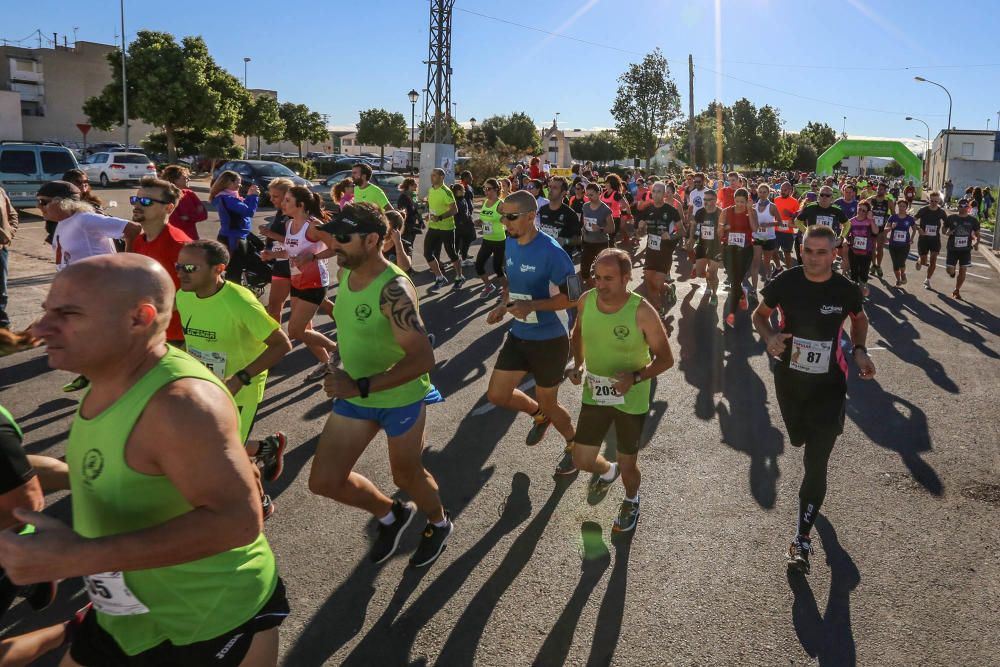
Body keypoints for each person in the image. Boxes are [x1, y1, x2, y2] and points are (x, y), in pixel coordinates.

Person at [1, 253, 288, 665]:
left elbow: (238, 522)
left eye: (68, 313)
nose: (41, 327)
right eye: (47, 310)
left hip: (207, 619)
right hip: (126, 613)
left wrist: (78, 556)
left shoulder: (179, 403)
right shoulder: (107, 376)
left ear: (139, 318)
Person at [309, 202, 452, 568]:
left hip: (398, 398)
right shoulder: (347, 272)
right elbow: (351, 331)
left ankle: (439, 522)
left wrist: (359, 385)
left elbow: (423, 360)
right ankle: (391, 514)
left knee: (406, 473)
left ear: (372, 240)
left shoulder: (395, 292)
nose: (334, 244)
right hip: (356, 394)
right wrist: (336, 364)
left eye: (343, 237)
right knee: (324, 480)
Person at [752, 224, 876, 575]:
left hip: (830, 385)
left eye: (822, 252)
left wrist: (860, 351)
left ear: (835, 253)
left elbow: (859, 320)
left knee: (815, 461)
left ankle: (801, 538)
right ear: (801, 249)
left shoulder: (845, 290)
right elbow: (759, 316)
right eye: (808, 250)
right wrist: (770, 336)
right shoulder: (785, 282)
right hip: (790, 382)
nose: (814, 258)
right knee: (800, 440)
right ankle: (809, 511)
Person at [175, 239, 291, 505]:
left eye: (191, 267)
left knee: (223, 456)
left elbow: (281, 344)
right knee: (206, 446)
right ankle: (266, 448)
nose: (182, 273)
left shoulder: (239, 301)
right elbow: (192, 338)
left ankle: (259, 502)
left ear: (219, 269)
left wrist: (240, 378)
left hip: (240, 391)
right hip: (203, 385)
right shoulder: (184, 295)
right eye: (178, 266)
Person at [567, 248, 674, 532]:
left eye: (608, 278)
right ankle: (607, 470)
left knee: (629, 465)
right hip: (596, 393)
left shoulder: (641, 311)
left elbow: (666, 359)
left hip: (631, 398)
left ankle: (631, 499)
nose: (600, 285)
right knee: (582, 459)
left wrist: (635, 377)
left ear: (626, 278)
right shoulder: (586, 301)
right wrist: (579, 365)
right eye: (597, 277)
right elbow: (577, 333)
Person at [485, 190, 579, 474]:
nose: (504, 222)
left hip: (550, 339)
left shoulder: (553, 253)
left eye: (511, 217)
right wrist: (504, 305)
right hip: (519, 333)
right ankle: (538, 416)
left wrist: (532, 305)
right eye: (503, 216)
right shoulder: (511, 243)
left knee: (550, 403)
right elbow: (512, 284)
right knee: (497, 395)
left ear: (530, 216)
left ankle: (575, 445)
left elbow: (573, 297)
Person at [260, 186, 338, 382]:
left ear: (300, 205)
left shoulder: (313, 225)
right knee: (304, 329)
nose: (282, 204)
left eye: (287, 200)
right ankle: (326, 363)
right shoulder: (289, 224)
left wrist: (313, 256)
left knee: (296, 331)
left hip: (315, 282)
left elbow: (335, 248)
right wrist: (273, 255)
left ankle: (338, 350)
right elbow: (290, 252)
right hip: (297, 280)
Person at [129, 177, 192, 346]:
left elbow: (195, 292)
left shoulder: (180, 245)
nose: (137, 205)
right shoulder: (139, 241)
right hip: (149, 331)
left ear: (168, 207)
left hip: (177, 337)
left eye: (146, 201)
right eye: (135, 199)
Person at [636, 181, 683, 316]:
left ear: (664, 194)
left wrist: (670, 236)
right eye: (654, 191)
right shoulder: (647, 210)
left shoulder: (671, 211)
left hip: (665, 252)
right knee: (650, 284)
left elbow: (682, 231)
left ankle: (658, 310)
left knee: (656, 284)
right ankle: (665, 296)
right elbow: (640, 234)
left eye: (659, 192)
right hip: (651, 252)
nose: (655, 194)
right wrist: (640, 229)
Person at [209, 170, 259, 284]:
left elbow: (241, 209)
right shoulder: (227, 199)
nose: (240, 185)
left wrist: (249, 196)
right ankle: (231, 295)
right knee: (234, 271)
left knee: (233, 269)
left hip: (232, 236)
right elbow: (248, 211)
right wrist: (253, 197)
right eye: (238, 182)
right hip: (233, 238)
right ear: (228, 183)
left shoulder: (228, 197)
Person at [257, 177, 295, 322]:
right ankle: (276, 341)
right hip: (280, 264)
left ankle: (339, 321)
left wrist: (270, 234)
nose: (272, 199)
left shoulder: (294, 215)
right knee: (273, 306)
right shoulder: (280, 212)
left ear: (287, 196)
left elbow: (297, 243)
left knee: (303, 318)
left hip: (296, 266)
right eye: (270, 196)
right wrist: (269, 251)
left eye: (275, 196)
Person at [721, 188, 758, 328]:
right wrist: (725, 228)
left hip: (745, 250)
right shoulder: (727, 211)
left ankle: (731, 314)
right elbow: (720, 228)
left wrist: (750, 211)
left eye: (742, 202)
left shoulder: (751, 212)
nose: (739, 204)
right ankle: (742, 294)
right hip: (729, 250)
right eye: (737, 201)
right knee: (733, 279)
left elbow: (754, 229)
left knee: (736, 281)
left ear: (747, 200)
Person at [424, 168, 464, 290]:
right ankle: (440, 278)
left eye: (434, 175)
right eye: (431, 175)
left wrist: (440, 217)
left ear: (442, 177)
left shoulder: (446, 191)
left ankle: (459, 276)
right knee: (427, 253)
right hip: (433, 227)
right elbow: (433, 208)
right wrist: (429, 216)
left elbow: (454, 210)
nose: (432, 177)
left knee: (451, 253)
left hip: (446, 228)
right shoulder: (431, 190)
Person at [689, 189, 724, 305]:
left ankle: (714, 294)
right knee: (700, 273)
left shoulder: (721, 213)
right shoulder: (700, 212)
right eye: (705, 199)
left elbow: (726, 231)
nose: (706, 202)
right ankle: (709, 281)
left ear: (715, 200)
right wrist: (691, 240)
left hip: (716, 247)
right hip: (702, 245)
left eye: (709, 199)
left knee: (712, 273)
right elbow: (695, 227)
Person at [942, 198, 981, 300]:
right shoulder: (951, 218)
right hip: (952, 249)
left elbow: (977, 234)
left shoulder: (973, 220)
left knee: (963, 270)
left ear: (968, 207)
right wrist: (947, 233)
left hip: (966, 250)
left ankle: (957, 290)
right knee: (949, 270)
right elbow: (943, 230)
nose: (963, 208)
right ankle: (952, 272)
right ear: (958, 207)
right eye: (960, 206)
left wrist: (976, 242)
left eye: (965, 206)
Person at [475, 178, 506, 298]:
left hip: (499, 240)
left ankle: (507, 290)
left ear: (496, 189)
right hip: (487, 240)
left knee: (497, 268)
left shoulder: (501, 204)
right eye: (484, 189)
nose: (486, 191)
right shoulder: (485, 202)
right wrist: (479, 221)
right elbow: (484, 218)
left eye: (488, 189)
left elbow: (508, 221)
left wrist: (503, 220)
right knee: (478, 265)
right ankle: (488, 286)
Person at [579, 183, 615, 287]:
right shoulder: (585, 206)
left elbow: (612, 228)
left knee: (603, 270)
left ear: (599, 193)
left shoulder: (605, 209)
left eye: (592, 195)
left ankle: (604, 289)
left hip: (601, 243)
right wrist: (584, 228)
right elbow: (584, 221)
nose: (589, 197)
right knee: (584, 271)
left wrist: (600, 229)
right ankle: (594, 288)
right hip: (587, 242)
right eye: (587, 195)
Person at [842, 200, 880, 296]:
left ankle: (862, 292)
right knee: (854, 274)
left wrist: (871, 219)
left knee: (864, 274)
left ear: (868, 212)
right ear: (857, 208)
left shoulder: (869, 221)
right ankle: (855, 294)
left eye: (864, 210)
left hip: (866, 252)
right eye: (860, 209)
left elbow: (875, 231)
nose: (861, 212)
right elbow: (845, 235)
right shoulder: (851, 221)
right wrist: (845, 241)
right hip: (853, 251)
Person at [161, 165, 207, 240]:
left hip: (192, 237)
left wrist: (188, 217)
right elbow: (175, 221)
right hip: (174, 238)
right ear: (174, 180)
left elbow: (204, 215)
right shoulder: (166, 197)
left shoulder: (190, 194)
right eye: (184, 178)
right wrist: (194, 216)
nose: (187, 179)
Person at [750, 183, 781, 292]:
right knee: (756, 262)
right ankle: (754, 289)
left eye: (765, 192)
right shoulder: (754, 207)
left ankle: (768, 273)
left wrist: (768, 224)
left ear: (768, 193)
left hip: (769, 238)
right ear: (757, 192)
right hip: (757, 237)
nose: (762, 194)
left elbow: (780, 222)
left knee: (766, 262)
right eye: (760, 192)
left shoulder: (772, 206)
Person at [913, 190, 947, 289]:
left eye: (936, 201)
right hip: (923, 239)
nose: (934, 203)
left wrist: (946, 229)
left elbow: (947, 223)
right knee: (924, 261)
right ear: (929, 200)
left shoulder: (941, 212)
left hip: (935, 239)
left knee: (933, 259)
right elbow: (912, 221)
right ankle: (920, 261)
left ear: (939, 201)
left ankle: (927, 280)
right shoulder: (923, 210)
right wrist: (919, 229)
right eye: (932, 201)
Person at [537, 177, 580, 251]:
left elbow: (579, 239)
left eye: (555, 188)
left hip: (561, 257)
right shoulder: (542, 209)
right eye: (550, 187)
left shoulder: (570, 214)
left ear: (563, 192)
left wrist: (565, 241)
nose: (550, 190)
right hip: (543, 254)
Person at [885, 200, 916, 287]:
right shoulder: (893, 217)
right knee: (895, 265)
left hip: (905, 245)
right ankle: (898, 280)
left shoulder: (909, 219)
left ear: (906, 207)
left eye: (903, 206)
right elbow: (886, 228)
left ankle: (903, 273)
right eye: (900, 206)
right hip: (893, 244)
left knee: (901, 262)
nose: (901, 208)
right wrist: (891, 227)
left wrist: (912, 239)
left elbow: (914, 229)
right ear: (897, 207)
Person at [868, 182, 894, 278]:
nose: (879, 190)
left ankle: (878, 266)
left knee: (880, 248)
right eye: (878, 189)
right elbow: (862, 206)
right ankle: (873, 265)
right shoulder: (871, 199)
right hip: (872, 227)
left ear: (885, 191)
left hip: (882, 228)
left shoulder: (889, 201)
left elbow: (893, 215)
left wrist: (889, 227)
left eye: (882, 189)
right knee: (872, 248)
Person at [773, 181, 800, 271]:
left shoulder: (795, 202)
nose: (782, 191)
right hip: (776, 230)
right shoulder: (776, 199)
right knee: (774, 251)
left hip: (788, 232)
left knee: (787, 253)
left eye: (785, 190)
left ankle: (788, 271)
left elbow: (798, 217)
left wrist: (790, 214)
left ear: (790, 191)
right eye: (781, 189)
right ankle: (778, 267)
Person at [0, 186, 15, 329]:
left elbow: (13, 214)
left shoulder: (0, 191)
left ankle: (3, 328)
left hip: (1, 249)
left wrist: (9, 234)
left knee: (1, 291)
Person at [452, 182, 476, 266]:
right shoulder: (456, 201)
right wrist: (466, 221)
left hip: (464, 224)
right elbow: (460, 214)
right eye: (463, 190)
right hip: (461, 226)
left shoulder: (462, 198)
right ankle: (462, 260)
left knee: (461, 243)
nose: (464, 191)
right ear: (458, 191)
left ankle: (460, 259)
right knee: (463, 242)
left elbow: (466, 212)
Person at [396, 177, 424, 249]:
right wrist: (416, 211)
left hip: (412, 224)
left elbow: (416, 209)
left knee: (410, 246)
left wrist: (421, 221)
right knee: (406, 247)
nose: (416, 185)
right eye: (415, 184)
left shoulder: (413, 195)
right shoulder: (403, 197)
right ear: (409, 186)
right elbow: (403, 213)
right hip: (406, 226)